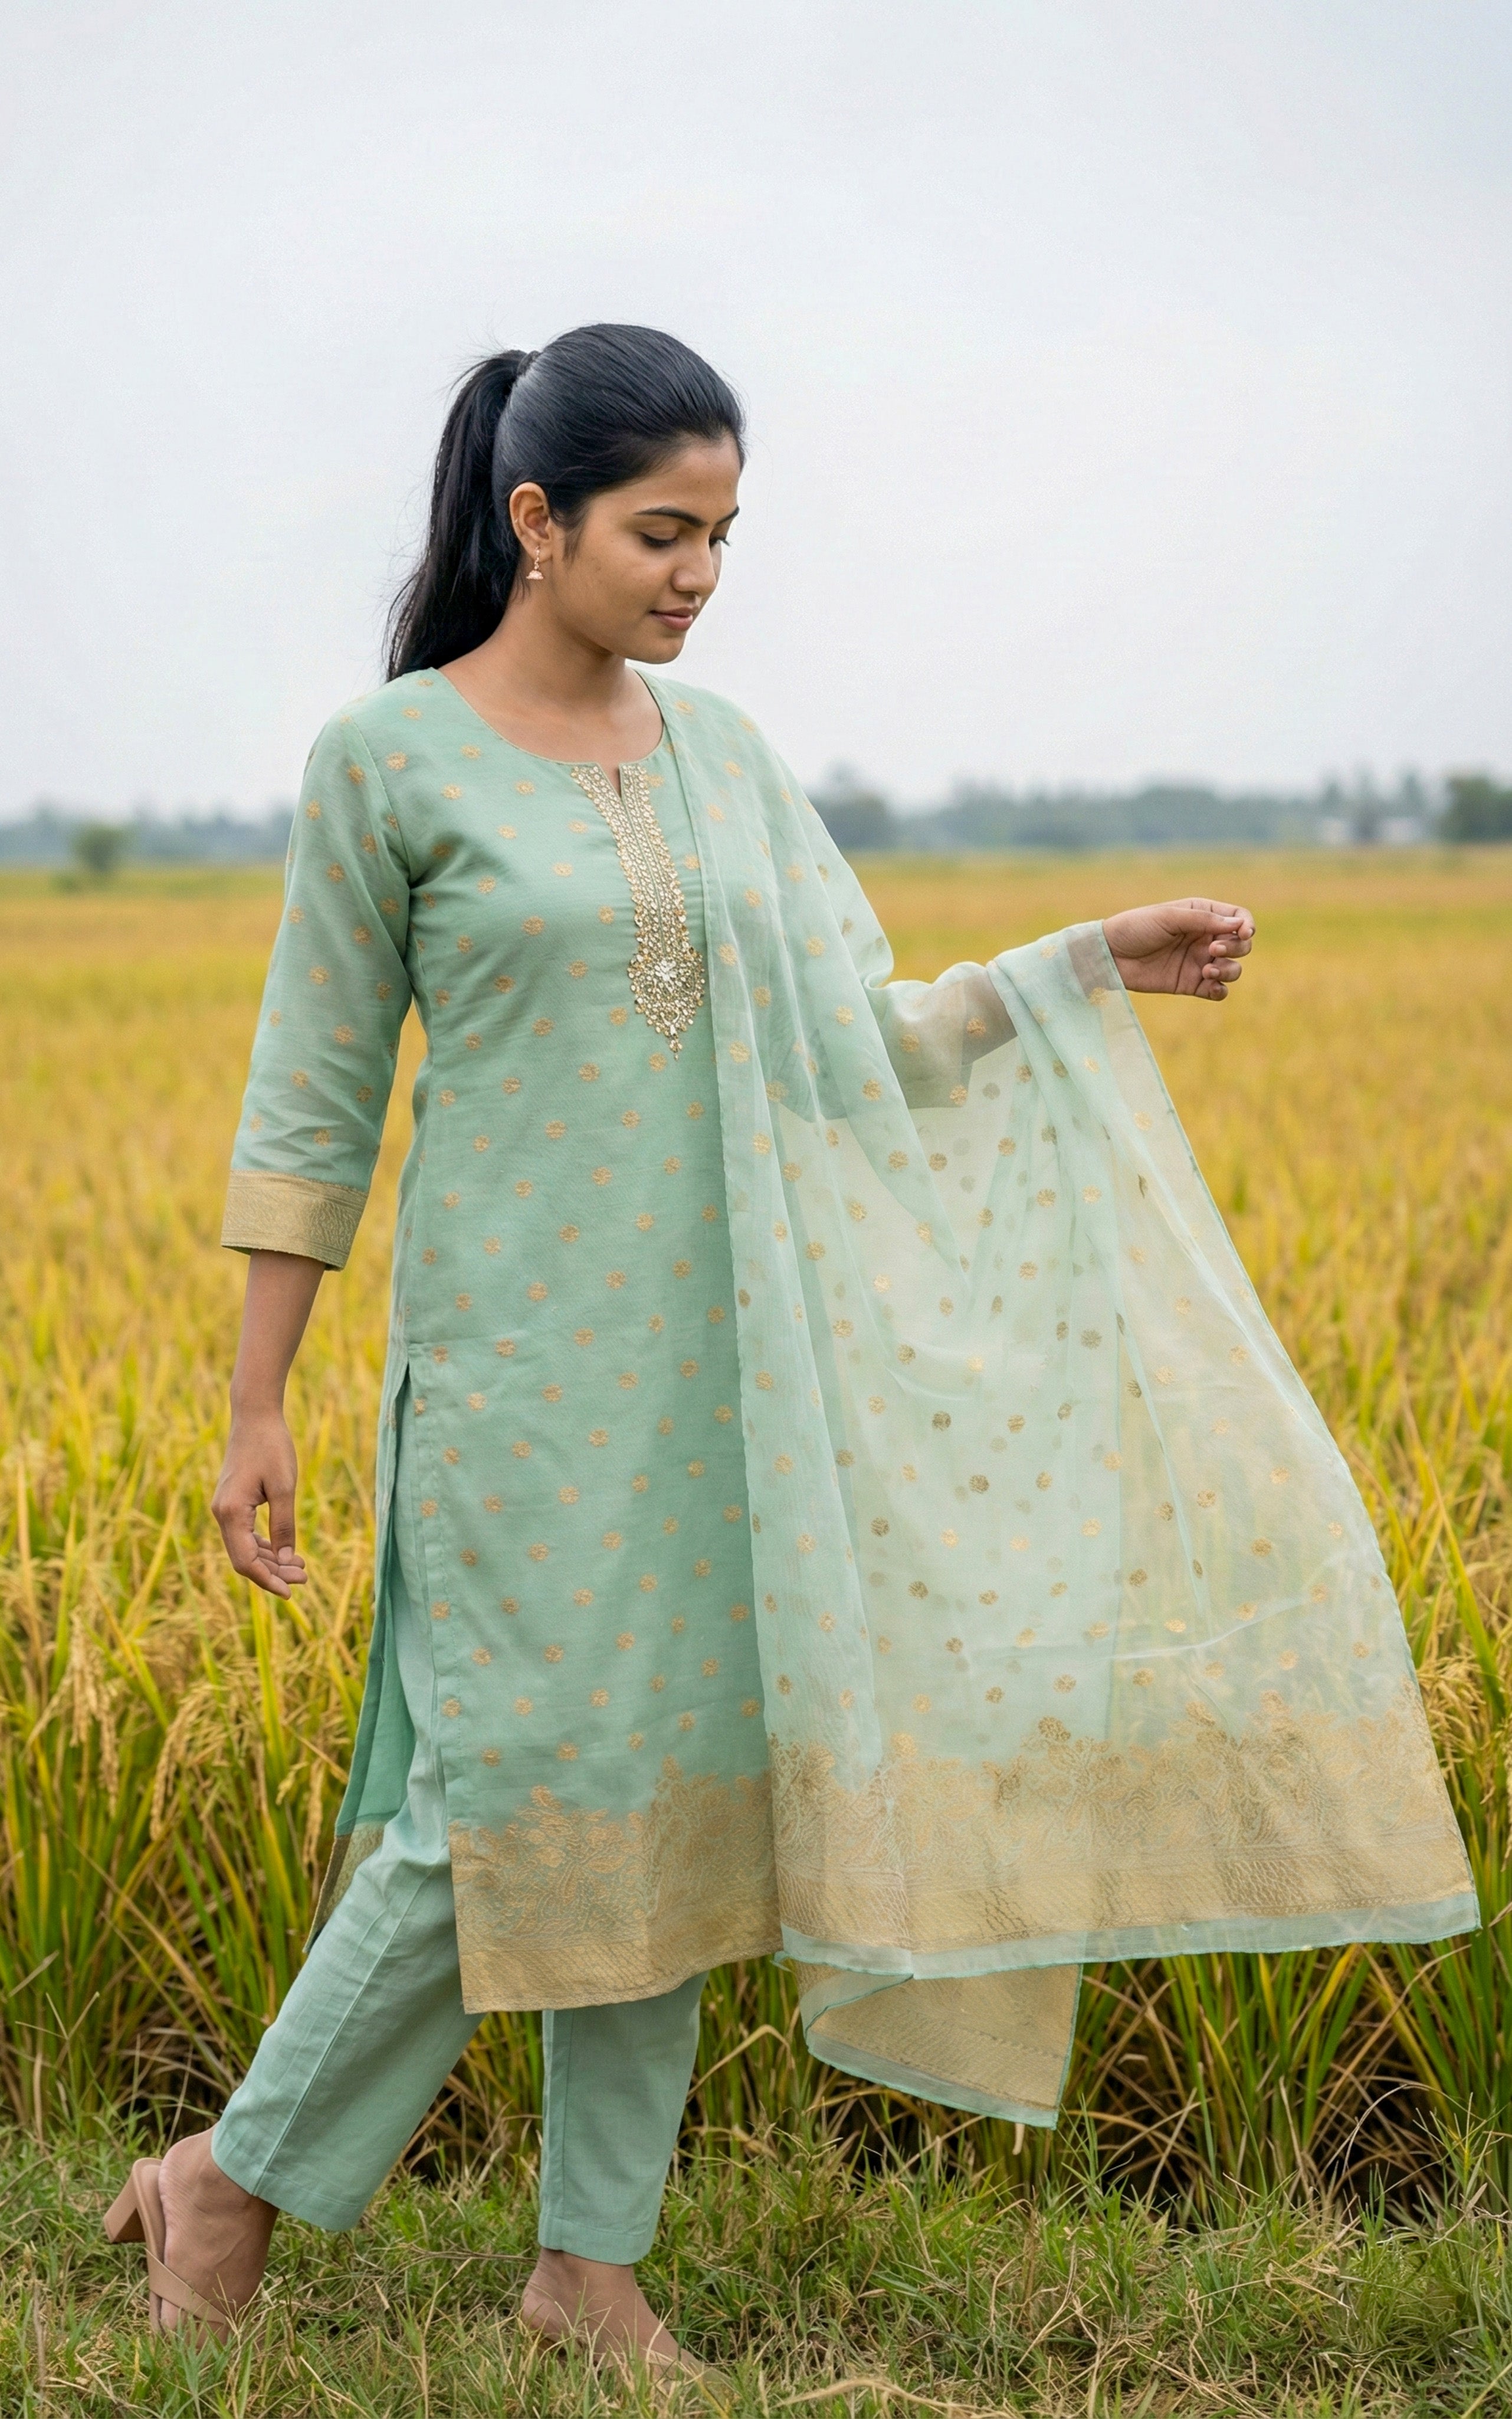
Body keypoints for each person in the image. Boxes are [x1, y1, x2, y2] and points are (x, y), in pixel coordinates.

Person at [106, 323, 1476, 2377]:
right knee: (496, 1807)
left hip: (727, 1382)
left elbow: (865, 1030)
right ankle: (223, 2179)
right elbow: (306, 1103)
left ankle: (588, 2266)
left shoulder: (724, 759)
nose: (699, 573)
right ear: (536, 518)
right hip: (516, 1388)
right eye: (664, 530)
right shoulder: (383, 762)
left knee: (675, 1804)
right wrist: (254, 1396)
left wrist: (1079, 963)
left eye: (727, 534)